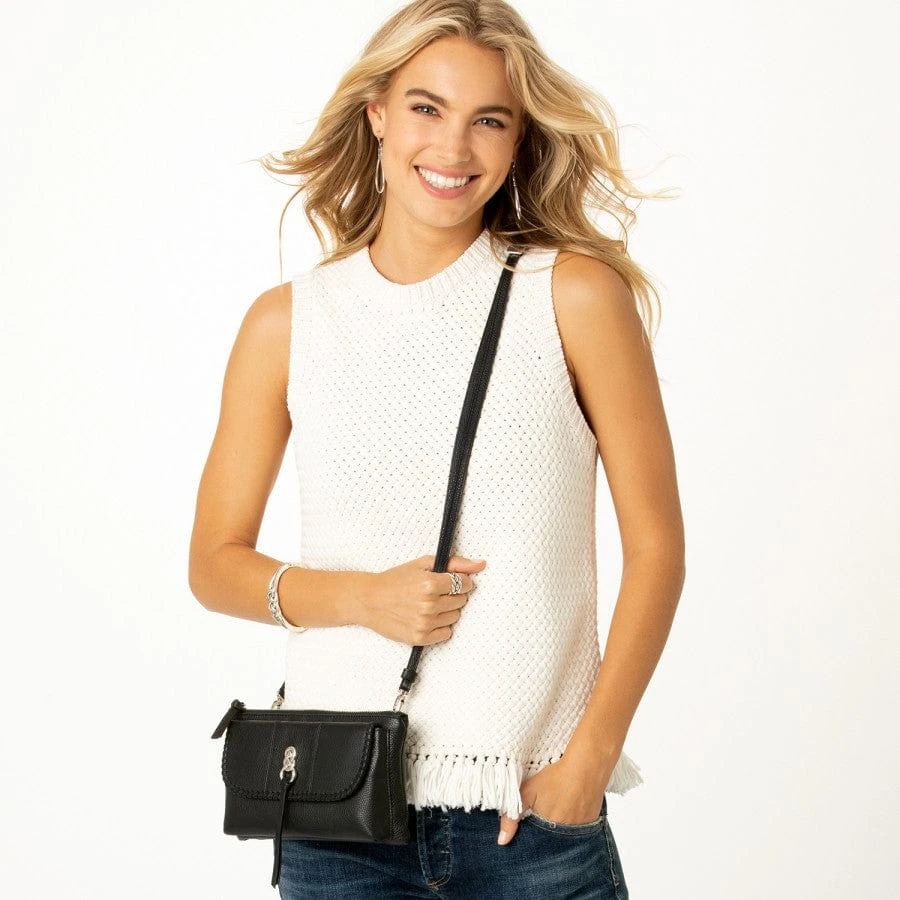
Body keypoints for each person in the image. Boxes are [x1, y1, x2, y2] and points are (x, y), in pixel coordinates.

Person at [189, 1, 685, 897]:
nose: (453, 147)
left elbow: (657, 547)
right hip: (335, 818)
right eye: (427, 107)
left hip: (527, 819)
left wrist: (587, 764)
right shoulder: (287, 324)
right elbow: (213, 565)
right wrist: (366, 598)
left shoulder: (572, 295)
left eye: (488, 119)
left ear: (520, 138)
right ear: (377, 112)